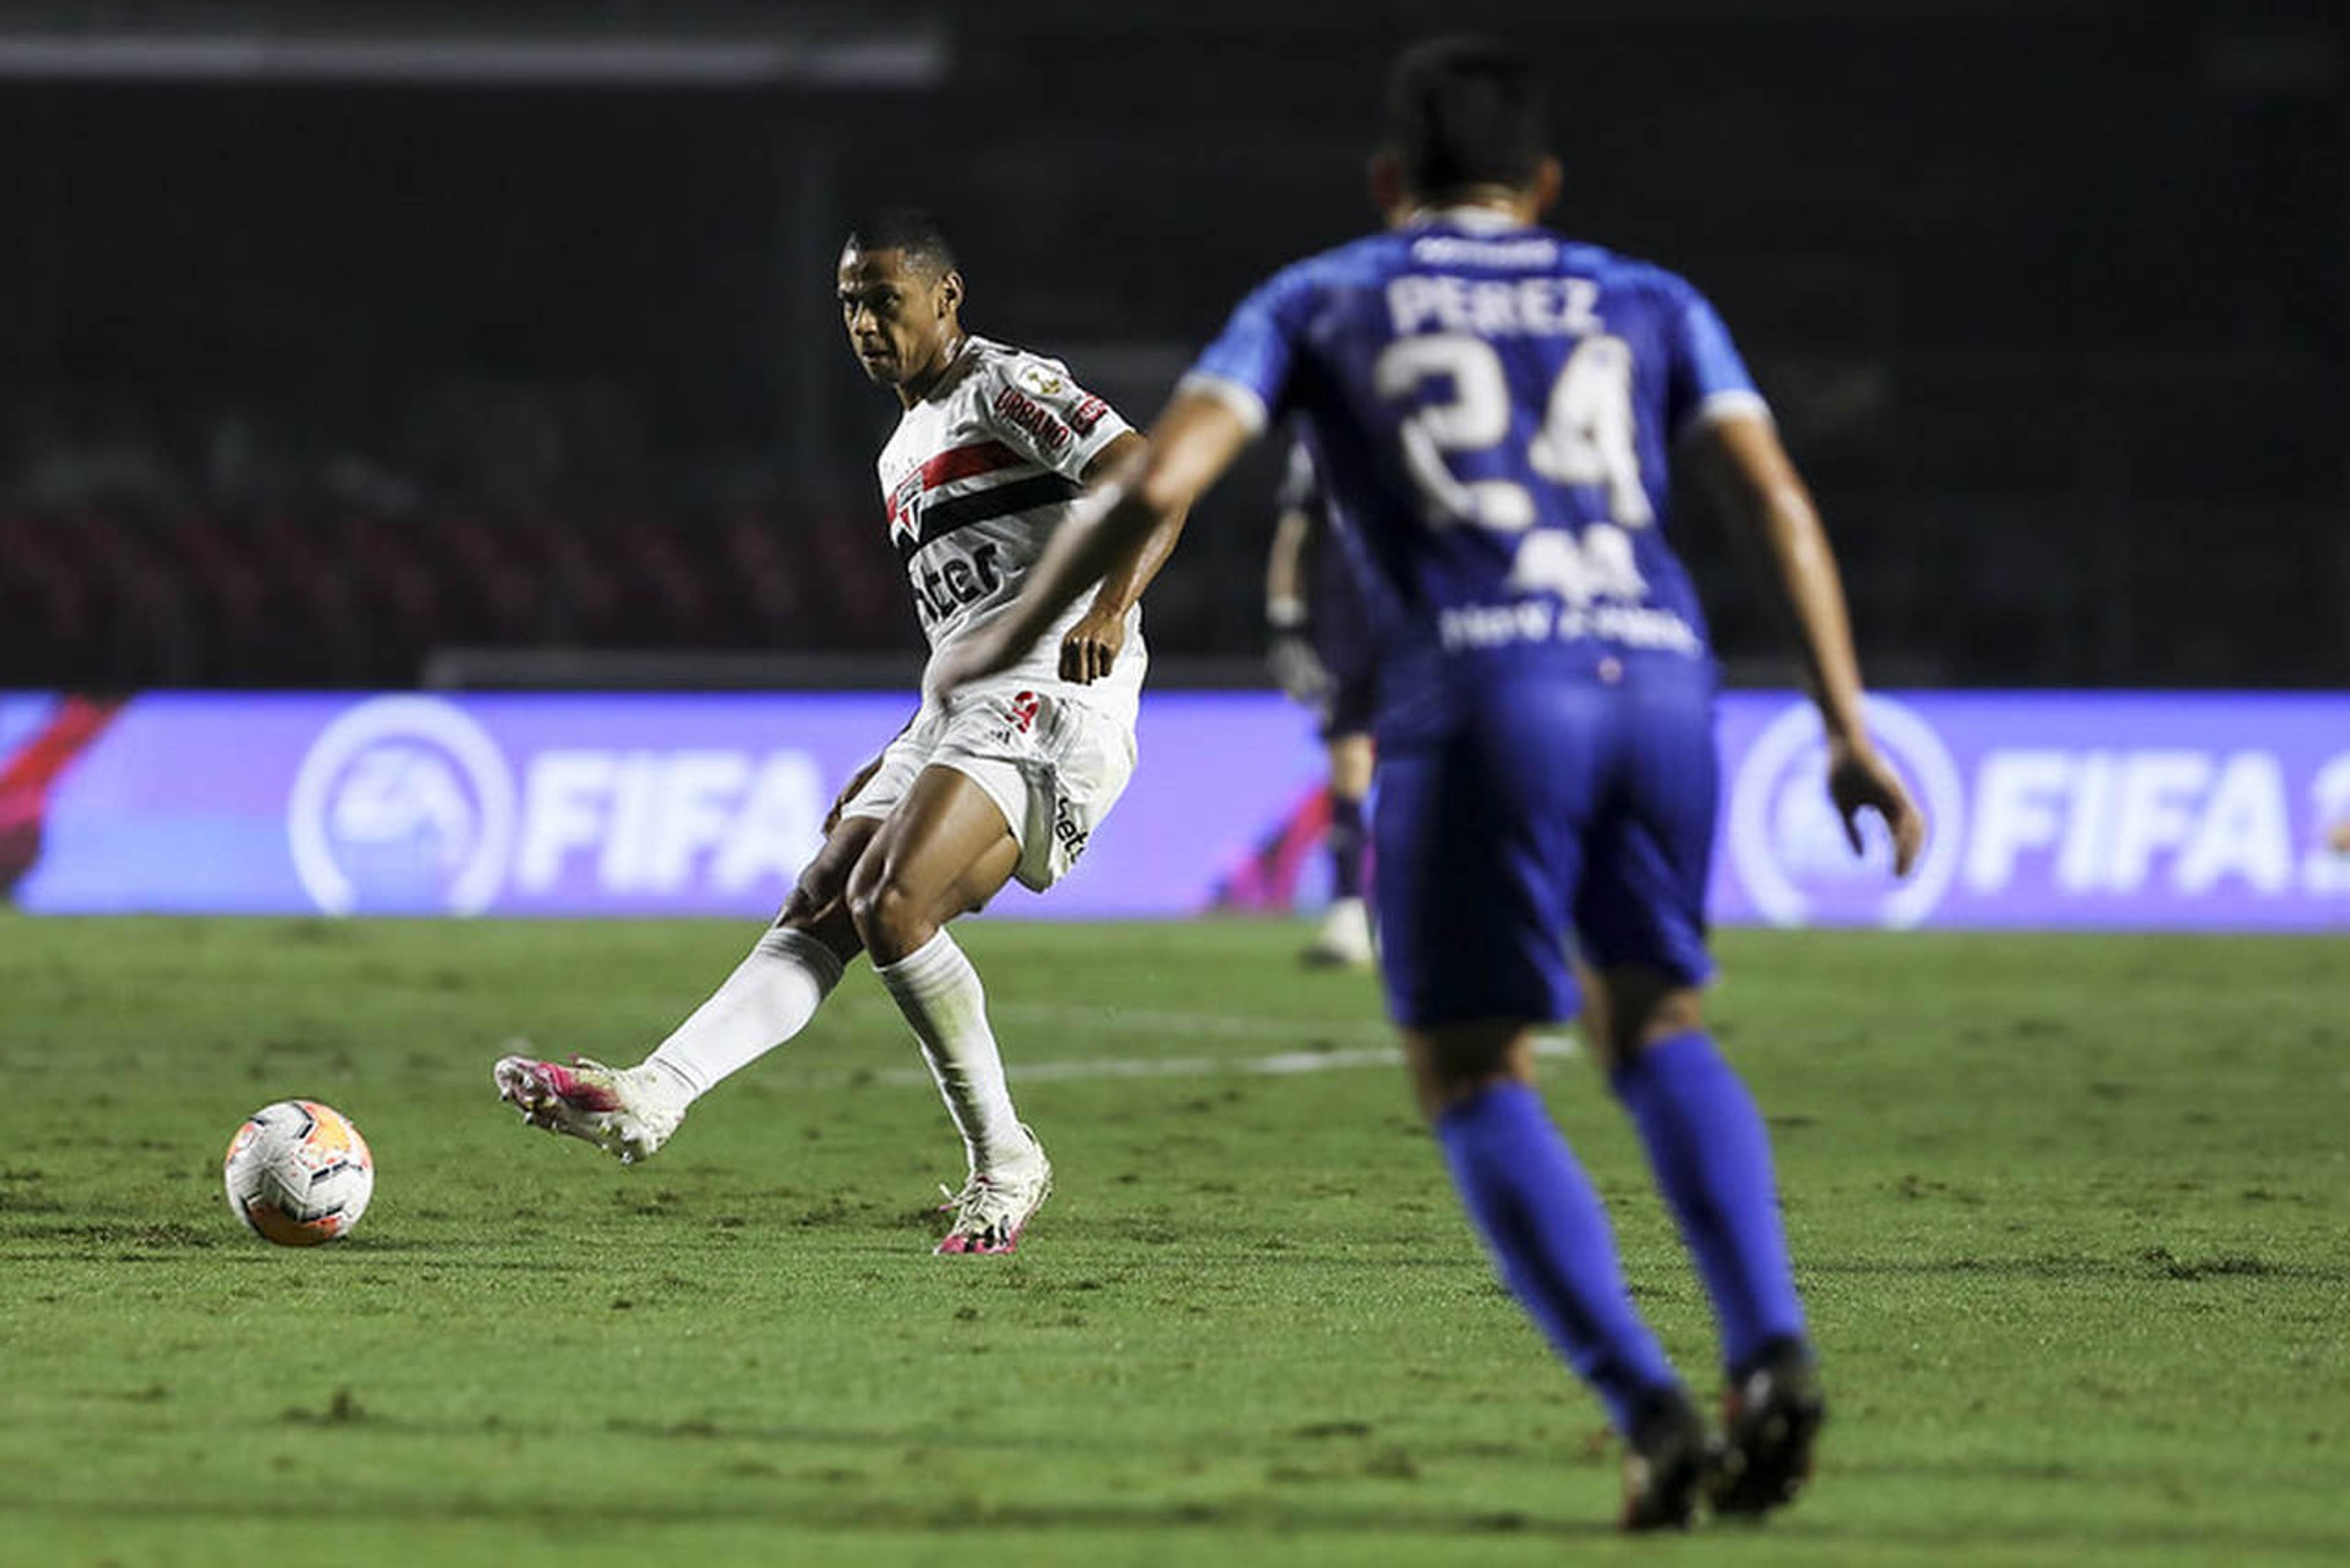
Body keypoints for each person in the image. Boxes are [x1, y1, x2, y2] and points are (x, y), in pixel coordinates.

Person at [928, 37, 1925, 1527]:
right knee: (1656, 1025)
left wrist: (1027, 621)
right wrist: (1846, 723)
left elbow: (1155, 476)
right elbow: (1770, 496)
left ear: (1387, 179)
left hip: (1479, 688)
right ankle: (1769, 1354)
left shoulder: (1323, 294)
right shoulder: (1648, 297)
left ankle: (1650, 1412)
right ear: (1546, 185)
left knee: (1473, 1072)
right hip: (1658, 678)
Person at [496, 209, 1182, 1256]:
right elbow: (968, 623)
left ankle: (1006, 1161)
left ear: (946, 299)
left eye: (885, 299)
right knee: (826, 897)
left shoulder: (1003, 386)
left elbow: (1151, 478)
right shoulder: (902, 450)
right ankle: (655, 1093)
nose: (864, 322)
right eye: (849, 304)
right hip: (963, 704)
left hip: (1058, 690)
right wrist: (910, 736)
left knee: (894, 901)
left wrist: (1108, 607)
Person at [1264, 437, 1378, 966]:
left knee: (1424, 767)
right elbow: (1296, 529)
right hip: (1348, 620)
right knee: (1349, 763)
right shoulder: (1324, 432)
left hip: (1426, 614)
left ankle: (1420, 912)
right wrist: (1286, 621)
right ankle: (1350, 912)